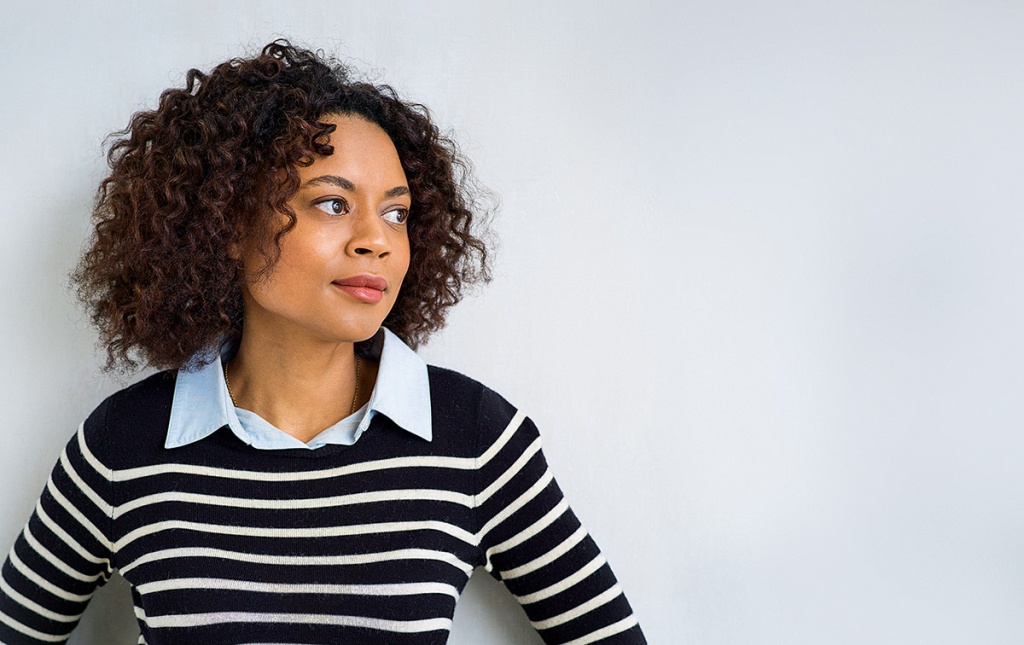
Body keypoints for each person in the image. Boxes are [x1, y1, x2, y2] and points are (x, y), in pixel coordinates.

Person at [0, 41, 645, 644]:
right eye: (332, 204)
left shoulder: (474, 438)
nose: (378, 239)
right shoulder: (126, 443)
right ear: (227, 223)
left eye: (396, 212)